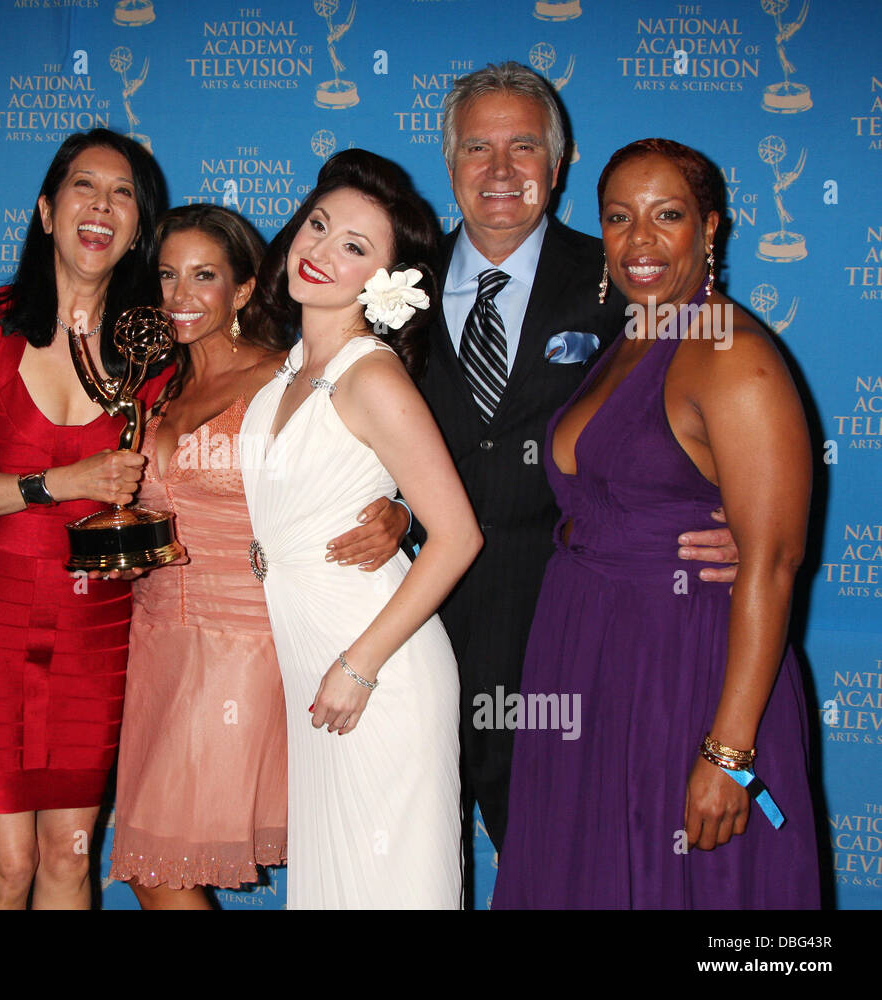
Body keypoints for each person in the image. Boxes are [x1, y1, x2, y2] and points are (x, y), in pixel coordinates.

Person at [493, 138, 819, 908]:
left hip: (682, 673)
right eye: (618, 218)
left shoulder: (735, 355)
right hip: (586, 660)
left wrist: (731, 753)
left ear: (711, 229)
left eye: (666, 215)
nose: (639, 240)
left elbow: (771, 563)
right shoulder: (631, 338)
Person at [420, 62, 737, 853]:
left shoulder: (625, 276)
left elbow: (708, 399)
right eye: (476, 149)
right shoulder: (390, 282)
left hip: (574, 647)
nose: (499, 171)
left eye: (523, 147)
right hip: (411, 644)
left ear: (557, 167)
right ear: (448, 161)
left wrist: (737, 521)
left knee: (568, 872)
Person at [0, 129, 170, 910]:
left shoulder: (153, 353)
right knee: (6, 865)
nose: (102, 205)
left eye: (123, 192)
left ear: (138, 225)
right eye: (83, 187)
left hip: (97, 627)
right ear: (45, 210)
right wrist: (63, 481)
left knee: (70, 857)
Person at [239, 150, 482, 909]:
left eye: (355, 246)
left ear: (384, 280)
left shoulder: (371, 374)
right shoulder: (285, 369)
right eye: (318, 225)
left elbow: (458, 536)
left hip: (379, 674)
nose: (321, 251)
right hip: (315, 668)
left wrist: (361, 666)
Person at [107, 205, 289, 908]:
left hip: (240, 643)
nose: (180, 296)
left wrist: (392, 515)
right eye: (167, 275)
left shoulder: (288, 380)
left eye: (203, 276)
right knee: (156, 864)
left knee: (161, 871)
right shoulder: (156, 387)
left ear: (243, 290)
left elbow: (359, 482)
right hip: (156, 642)